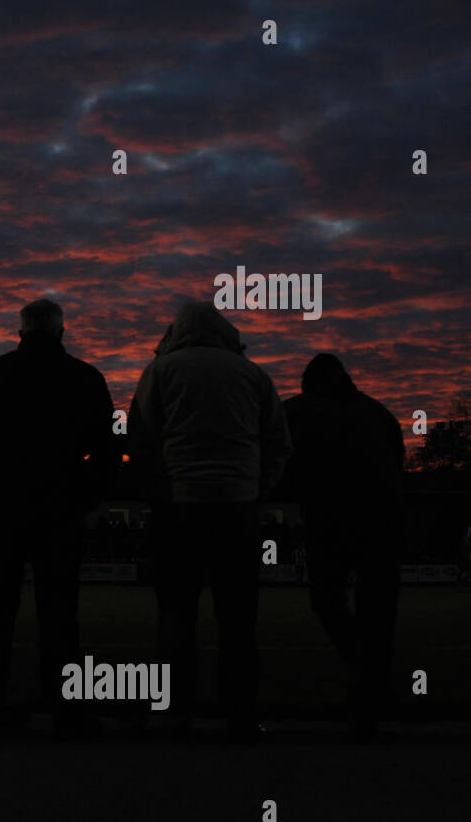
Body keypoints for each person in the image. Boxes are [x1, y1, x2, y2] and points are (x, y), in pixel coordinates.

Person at [128, 300, 292, 742]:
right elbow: (278, 439)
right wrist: (257, 485)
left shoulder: (160, 371)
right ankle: (239, 716)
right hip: (238, 506)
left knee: (176, 614)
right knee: (238, 618)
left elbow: (139, 437)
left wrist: (157, 490)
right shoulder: (253, 374)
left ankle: (174, 713)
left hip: (180, 505)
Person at [0, 299, 115, 738]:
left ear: (20, 332)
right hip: (59, 509)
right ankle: (68, 713)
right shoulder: (84, 377)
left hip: (2, 509)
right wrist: (85, 499)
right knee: (61, 615)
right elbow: (105, 451)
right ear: (61, 332)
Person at [282, 353, 404, 738]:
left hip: (330, 519)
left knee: (327, 600)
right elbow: (396, 459)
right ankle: (370, 700)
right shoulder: (378, 412)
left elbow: (278, 461)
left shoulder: (296, 411)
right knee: (378, 614)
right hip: (384, 520)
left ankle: (369, 681)